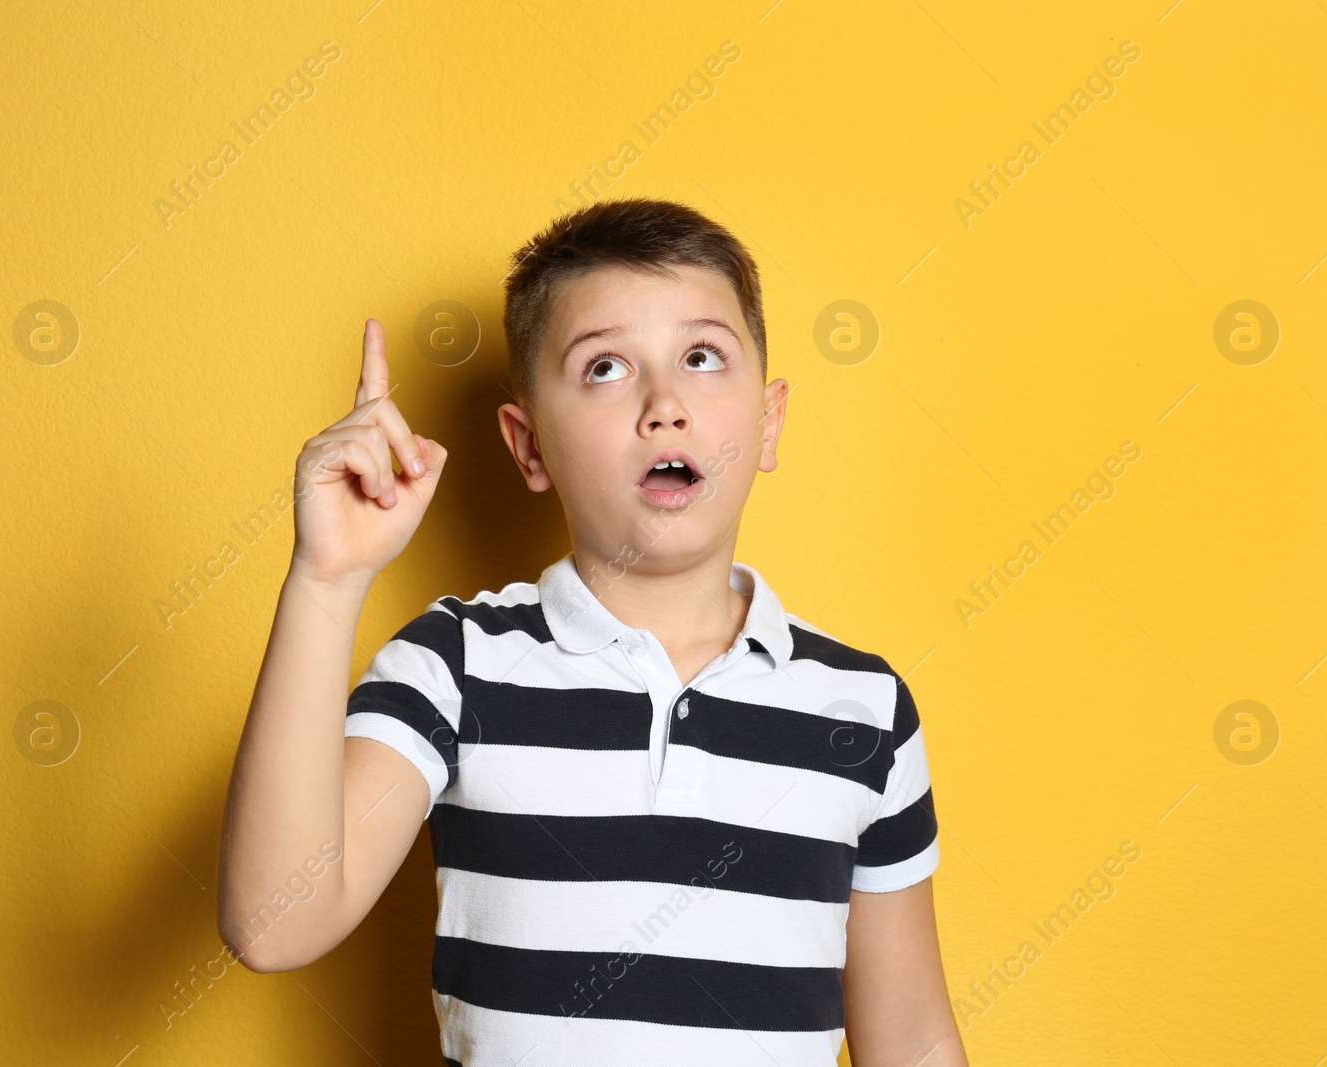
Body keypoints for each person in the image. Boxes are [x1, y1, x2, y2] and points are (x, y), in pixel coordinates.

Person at [217, 197, 967, 1066]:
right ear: (528, 445)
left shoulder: (865, 710)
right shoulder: (455, 667)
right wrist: (327, 578)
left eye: (701, 356)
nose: (665, 404)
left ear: (768, 420)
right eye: (606, 367)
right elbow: (272, 925)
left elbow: (911, 1039)